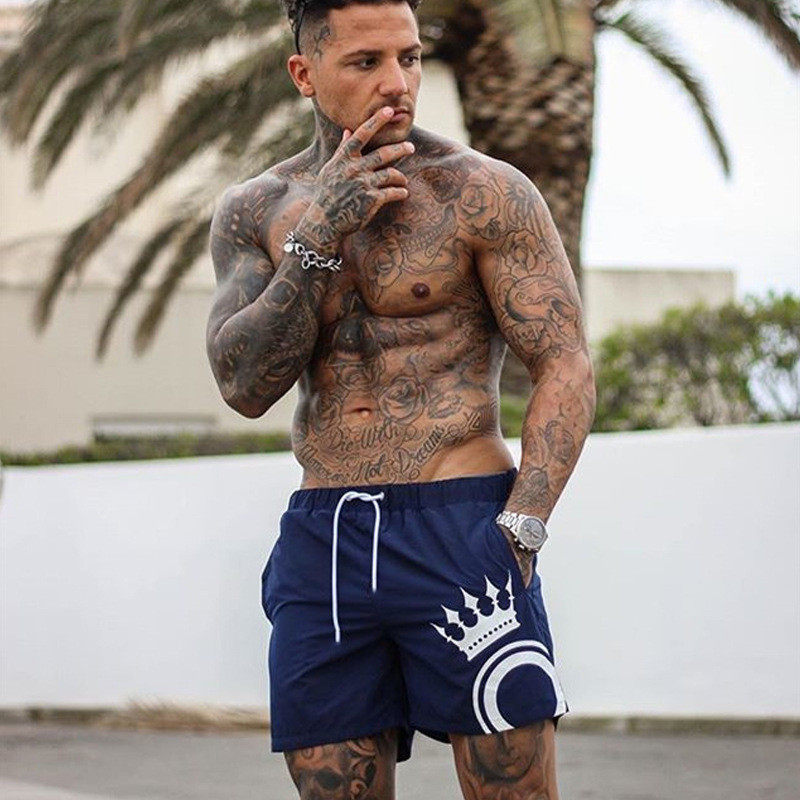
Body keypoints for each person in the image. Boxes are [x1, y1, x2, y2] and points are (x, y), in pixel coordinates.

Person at [206, 1, 596, 797]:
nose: (397, 83)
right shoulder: (256, 210)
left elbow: (564, 362)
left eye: (409, 57)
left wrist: (522, 526)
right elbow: (244, 386)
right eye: (367, 62)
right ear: (305, 73)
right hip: (326, 537)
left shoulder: (482, 191)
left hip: (460, 521)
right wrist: (319, 236)